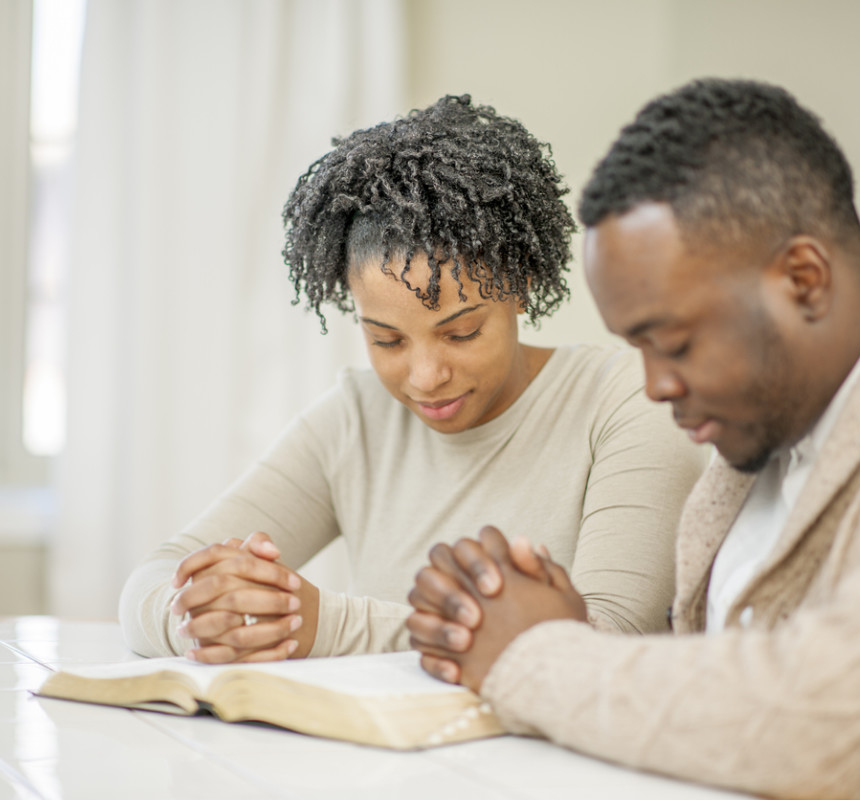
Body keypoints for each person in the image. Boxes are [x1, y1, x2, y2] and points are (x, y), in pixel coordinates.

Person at [407, 79, 860, 798]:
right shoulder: (763, 430)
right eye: (637, 347)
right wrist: (557, 628)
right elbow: (726, 698)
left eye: (676, 343)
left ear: (804, 279)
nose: (654, 385)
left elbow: (825, 729)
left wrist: (536, 653)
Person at [118, 94, 705, 664]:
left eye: (461, 332)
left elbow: (607, 638)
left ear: (520, 285)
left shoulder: (626, 401)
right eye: (387, 340)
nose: (425, 378)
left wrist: (328, 626)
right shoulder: (357, 418)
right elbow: (155, 576)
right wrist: (200, 616)